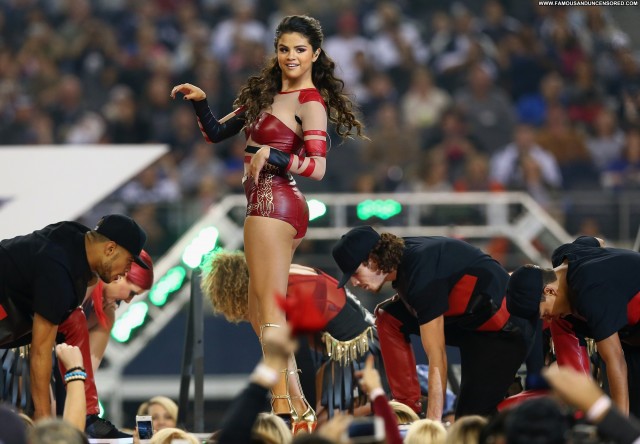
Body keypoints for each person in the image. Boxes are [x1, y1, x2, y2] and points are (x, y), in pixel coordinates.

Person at [171, 14, 366, 433]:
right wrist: (201, 102)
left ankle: (286, 410)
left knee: (269, 309)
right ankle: (296, 406)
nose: (291, 56)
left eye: (300, 49)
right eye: (283, 48)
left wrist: (273, 155)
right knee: (261, 311)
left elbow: (317, 167)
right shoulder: (267, 94)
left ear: (315, 53)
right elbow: (216, 133)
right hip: (269, 204)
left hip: (273, 202)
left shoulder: (310, 102)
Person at [332, 226, 535, 420]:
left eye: (355, 273)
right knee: (388, 317)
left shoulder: (421, 272)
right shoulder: (401, 257)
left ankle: (530, 403)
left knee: (471, 420)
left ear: (373, 259)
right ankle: (406, 408)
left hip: (504, 331)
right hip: (470, 322)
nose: (354, 283)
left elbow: (437, 355)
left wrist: (432, 423)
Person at [201, 251, 387, 421]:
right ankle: (381, 405)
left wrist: (299, 409)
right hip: (366, 338)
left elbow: (290, 358)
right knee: (319, 408)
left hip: (357, 345)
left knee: (320, 418)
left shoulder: (266, 294)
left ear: (232, 294)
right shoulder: (281, 273)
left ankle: (385, 407)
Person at [0, 214, 148, 422]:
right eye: (129, 261)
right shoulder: (58, 270)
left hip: (11, 308)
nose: (127, 270)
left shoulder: (74, 237)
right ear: (110, 249)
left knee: (73, 320)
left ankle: (89, 416)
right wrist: (45, 422)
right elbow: (40, 351)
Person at [506, 235, 640, 417]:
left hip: (629, 336)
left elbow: (615, 359)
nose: (548, 319)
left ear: (549, 290)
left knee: (626, 415)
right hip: (630, 337)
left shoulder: (590, 290)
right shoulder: (564, 256)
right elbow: (596, 241)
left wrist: (620, 426)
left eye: (545, 313)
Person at [55, 249, 154, 438]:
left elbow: (86, 372)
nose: (128, 300)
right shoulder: (82, 283)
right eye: (132, 292)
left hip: (63, 377)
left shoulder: (106, 315)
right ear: (120, 275)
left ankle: (89, 419)